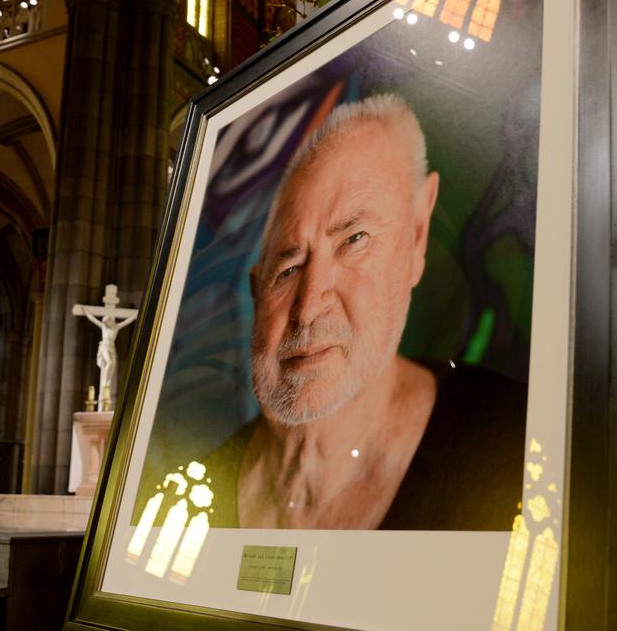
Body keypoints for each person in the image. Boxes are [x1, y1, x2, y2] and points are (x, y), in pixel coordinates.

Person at [204, 94, 527, 530]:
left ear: (417, 235)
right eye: (288, 268)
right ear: (257, 293)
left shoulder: (517, 450)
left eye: (354, 239)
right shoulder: (195, 492)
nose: (310, 304)